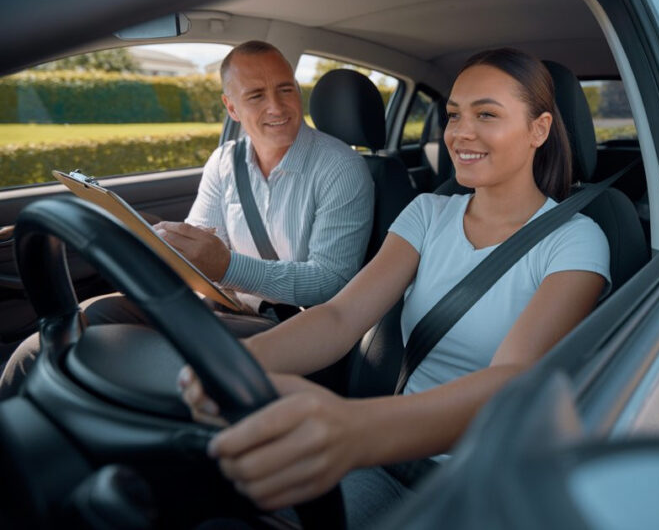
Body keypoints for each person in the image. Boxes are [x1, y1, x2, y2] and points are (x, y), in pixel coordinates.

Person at [179, 48, 611, 529]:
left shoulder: (576, 240)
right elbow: (340, 318)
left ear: (539, 129)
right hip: (386, 458)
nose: (460, 132)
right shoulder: (428, 212)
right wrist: (236, 367)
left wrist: (354, 429)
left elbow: (509, 381)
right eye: (453, 115)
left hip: (479, 477)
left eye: (486, 114)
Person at [0, 41, 374, 396]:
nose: (277, 106)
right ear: (231, 108)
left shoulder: (341, 168)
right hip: (218, 305)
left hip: (291, 326)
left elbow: (331, 282)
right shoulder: (225, 162)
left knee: (105, 350)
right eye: (257, 95)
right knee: (81, 320)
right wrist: (145, 234)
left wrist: (227, 266)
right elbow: (201, 240)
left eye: (286, 90)